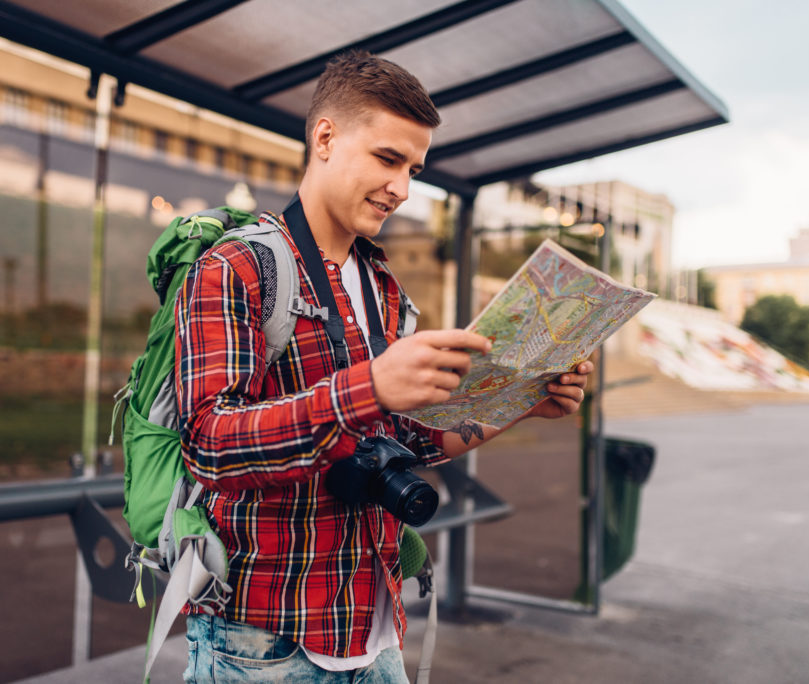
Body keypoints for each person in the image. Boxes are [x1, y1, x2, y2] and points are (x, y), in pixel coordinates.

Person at [174, 50, 593, 683]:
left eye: (413, 169)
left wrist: (523, 402)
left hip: (375, 626)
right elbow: (209, 445)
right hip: (262, 640)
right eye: (387, 159)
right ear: (325, 138)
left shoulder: (383, 287)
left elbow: (406, 440)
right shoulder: (235, 267)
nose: (402, 188)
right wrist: (366, 388)